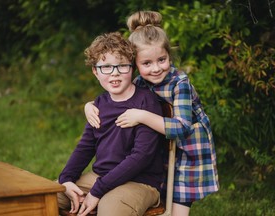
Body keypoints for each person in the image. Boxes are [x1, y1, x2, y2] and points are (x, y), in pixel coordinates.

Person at [84, 11, 219, 216]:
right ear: (134, 64)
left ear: (169, 55)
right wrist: (89, 105)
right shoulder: (139, 82)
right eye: (146, 63)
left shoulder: (179, 83)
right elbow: (115, 99)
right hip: (159, 150)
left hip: (188, 152)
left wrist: (142, 116)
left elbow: (182, 128)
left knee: (177, 210)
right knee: (159, 197)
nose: (156, 68)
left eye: (162, 60)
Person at [57, 31, 164, 216]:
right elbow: (85, 147)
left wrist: (98, 191)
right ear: (95, 71)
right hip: (100, 177)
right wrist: (66, 180)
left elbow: (141, 156)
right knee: (48, 196)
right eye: (106, 67)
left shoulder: (146, 102)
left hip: (139, 182)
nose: (114, 73)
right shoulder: (100, 104)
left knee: (111, 210)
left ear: (132, 68)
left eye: (122, 66)